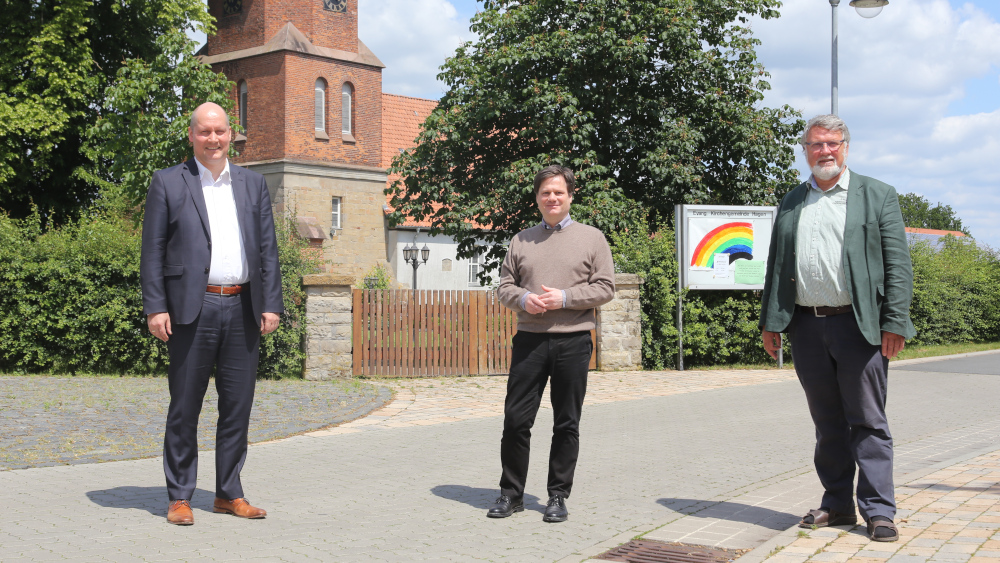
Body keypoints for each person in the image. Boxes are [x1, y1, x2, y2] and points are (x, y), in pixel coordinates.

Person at [759, 115, 914, 542]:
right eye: (815, 145)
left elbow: (898, 264)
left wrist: (894, 320)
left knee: (868, 421)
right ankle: (838, 504)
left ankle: (879, 511)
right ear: (805, 150)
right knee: (827, 423)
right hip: (806, 328)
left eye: (832, 143)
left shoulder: (877, 195)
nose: (824, 151)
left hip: (859, 326)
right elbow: (777, 266)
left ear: (846, 146)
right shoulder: (792, 199)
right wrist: (771, 321)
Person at [140, 102, 283, 526]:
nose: (214, 139)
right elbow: (152, 253)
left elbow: (267, 251)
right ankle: (180, 496)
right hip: (190, 309)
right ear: (192, 136)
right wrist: (156, 306)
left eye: (220, 131)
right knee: (185, 406)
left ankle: (228, 493)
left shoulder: (252, 183)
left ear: (230, 134)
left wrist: (271, 302)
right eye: (205, 132)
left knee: (237, 407)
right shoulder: (168, 182)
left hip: (243, 307)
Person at [489, 165, 615, 523]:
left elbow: (605, 287)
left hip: (573, 341)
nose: (552, 198)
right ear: (537, 198)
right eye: (546, 192)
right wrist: (524, 300)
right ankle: (511, 495)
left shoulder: (592, 238)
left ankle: (557, 496)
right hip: (529, 341)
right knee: (515, 420)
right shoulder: (520, 240)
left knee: (566, 423)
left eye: (559, 192)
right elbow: (504, 287)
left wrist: (564, 297)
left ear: (570, 196)